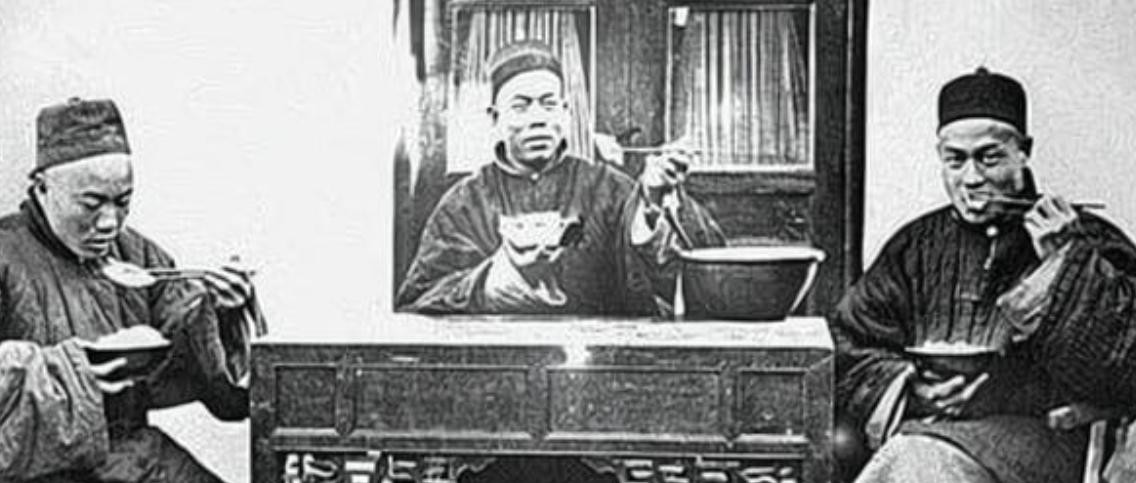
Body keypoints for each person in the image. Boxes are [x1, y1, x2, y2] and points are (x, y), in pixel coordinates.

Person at [830, 67, 1136, 483]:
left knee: (916, 461)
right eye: (955, 160)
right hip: (934, 432)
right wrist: (908, 387)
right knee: (914, 459)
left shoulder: (1089, 238)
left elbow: (1124, 365)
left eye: (989, 158)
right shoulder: (913, 246)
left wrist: (1064, 263)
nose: (971, 179)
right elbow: (851, 342)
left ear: (1023, 151)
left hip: (1048, 443)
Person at [0, 97, 267, 482]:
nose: (110, 223)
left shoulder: (137, 254)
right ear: (42, 187)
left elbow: (187, 352)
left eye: (122, 202)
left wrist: (219, 310)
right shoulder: (7, 253)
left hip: (134, 454)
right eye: (91, 204)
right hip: (38, 470)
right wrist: (78, 368)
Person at [397, 40, 724, 315]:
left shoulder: (608, 188)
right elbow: (421, 300)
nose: (538, 118)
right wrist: (501, 277)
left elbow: (703, 269)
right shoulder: (465, 204)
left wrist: (652, 202)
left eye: (549, 104)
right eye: (521, 106)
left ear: (566, 112)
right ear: (495, 118)